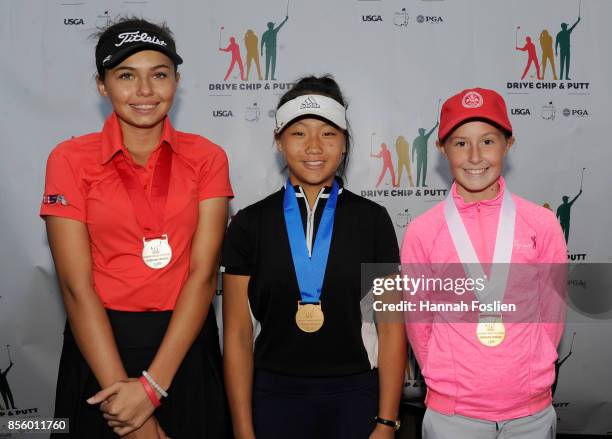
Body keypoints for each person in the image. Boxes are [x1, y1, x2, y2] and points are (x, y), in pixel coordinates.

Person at [40, 17, 233, 438]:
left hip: (183, 345)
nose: (145, 91)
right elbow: (76, 286)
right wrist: (126, 406)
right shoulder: (69, 159)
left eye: (159, 75)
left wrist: (150, 389)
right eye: (126, 76)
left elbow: (202, 276)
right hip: (100, 345)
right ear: (102, 85)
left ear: (176, 81)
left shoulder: (208, 158)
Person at [222, 75, 406, 439]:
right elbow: (238, 335)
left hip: (355, 396)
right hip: (273, 397)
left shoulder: (372, 220)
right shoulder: (248, 223)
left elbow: (390, 326)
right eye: (298, 133)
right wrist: (243, 429)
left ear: (344, 143)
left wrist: (386, 421)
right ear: (278, 141)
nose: (313, 146)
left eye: (328, 133)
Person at [401, 88, 567, 438]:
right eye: (460, 143)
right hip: (453, 416)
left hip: (530, 415)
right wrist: (442, 373)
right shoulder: (423, 231)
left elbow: (551, 314)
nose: (475, 156)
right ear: (441, 148)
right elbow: (419, 321)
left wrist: (531, 370)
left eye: (488, 141)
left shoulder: (542, 224)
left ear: (508, 144)